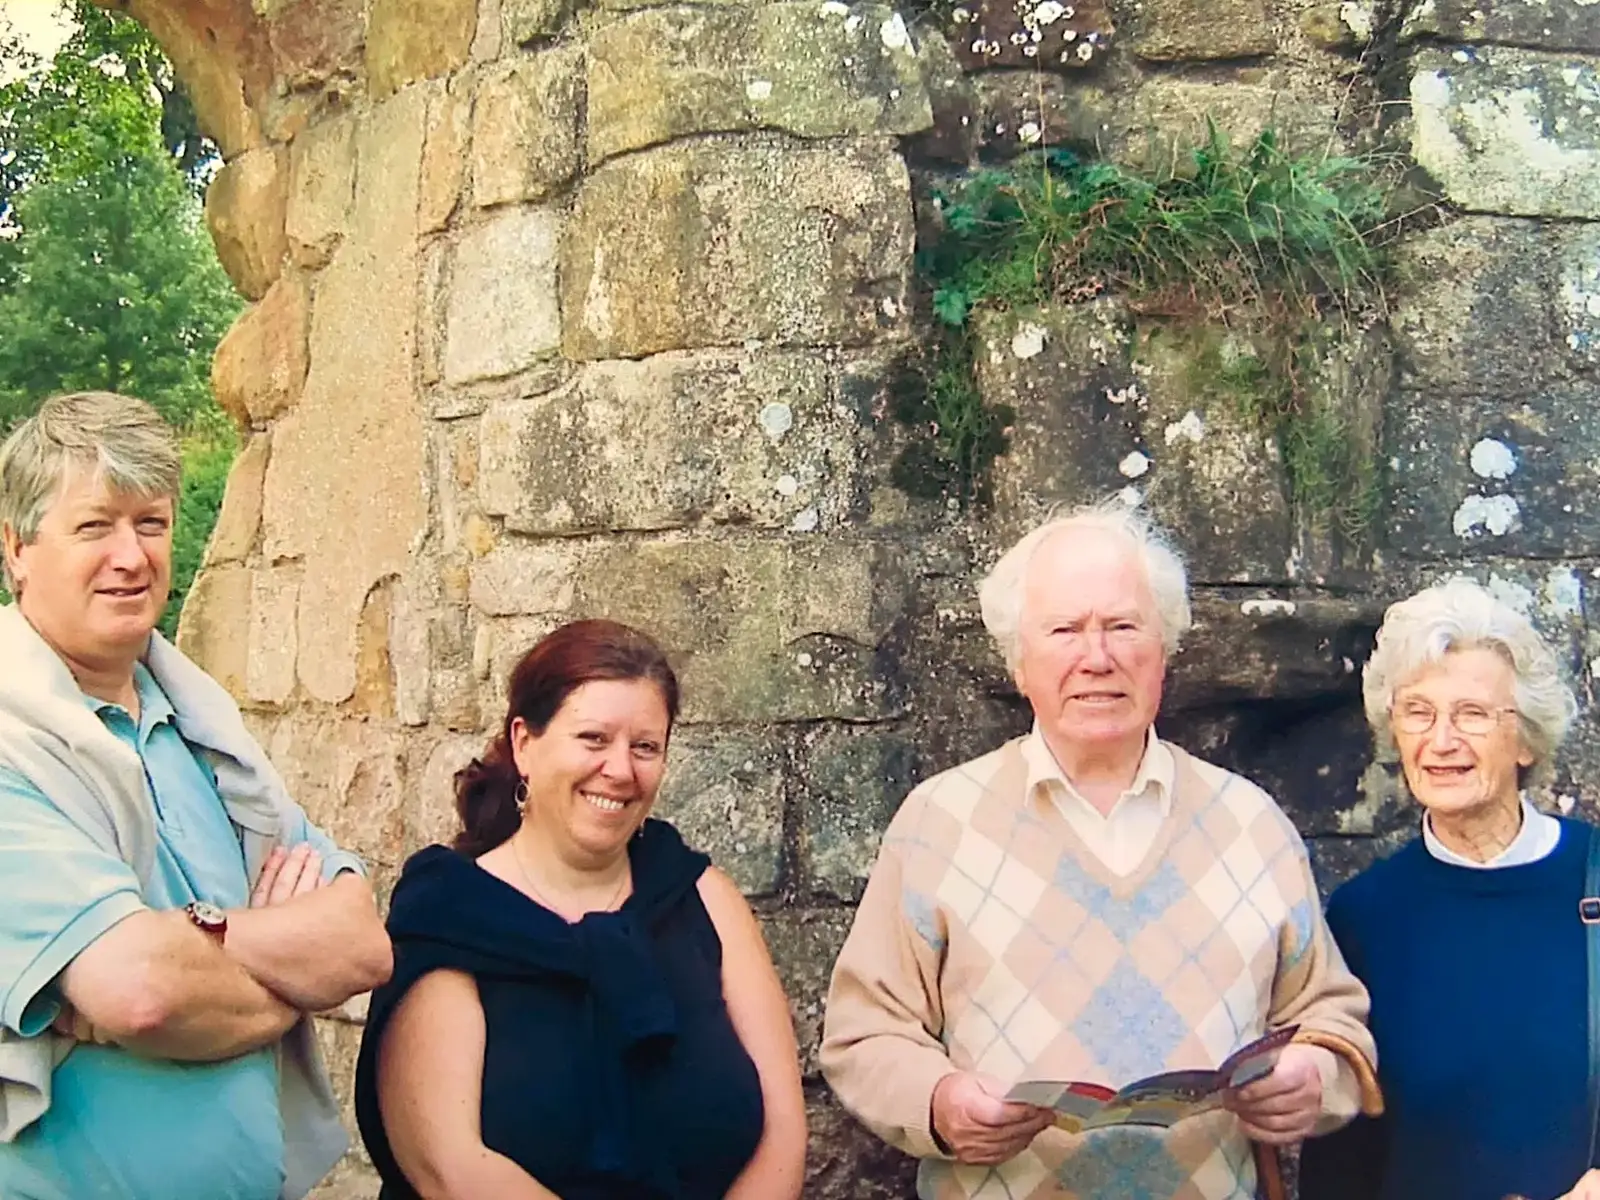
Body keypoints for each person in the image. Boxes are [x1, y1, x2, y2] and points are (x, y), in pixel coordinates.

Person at [819, 502, 1379, 1200]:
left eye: (1122, 626)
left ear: (1164, 651)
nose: (1097, 657)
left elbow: (1331, 1016)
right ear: (1019, 662)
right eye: (1064, 630)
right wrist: (937, 1103)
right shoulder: (938, 822)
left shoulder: (1250, 823)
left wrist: (1313, 1077)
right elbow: (861, 1033)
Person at [0, 391, 393, 1200]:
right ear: (16, 548)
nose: (131, 555)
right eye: (94, 525)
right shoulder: (12, 746)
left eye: (151, 523)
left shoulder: (204, 732)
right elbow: (143, 992)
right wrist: (288, 970)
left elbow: (361, 943)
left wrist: (191, 940)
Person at [354, 619, 807, 1200]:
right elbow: (450, 1167)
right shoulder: (452, 918)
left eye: (645, 747)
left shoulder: (702, 898)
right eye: (593, 739)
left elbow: (783, 1132)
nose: (620, 770)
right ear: (524, 744)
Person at [1299, 578, 1600, 1200]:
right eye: (1419, 712)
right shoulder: (1365, 917)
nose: (1441, 741)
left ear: (1524, 739)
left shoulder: (1592, 877)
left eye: (1472, 714)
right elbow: (1344, 1163)